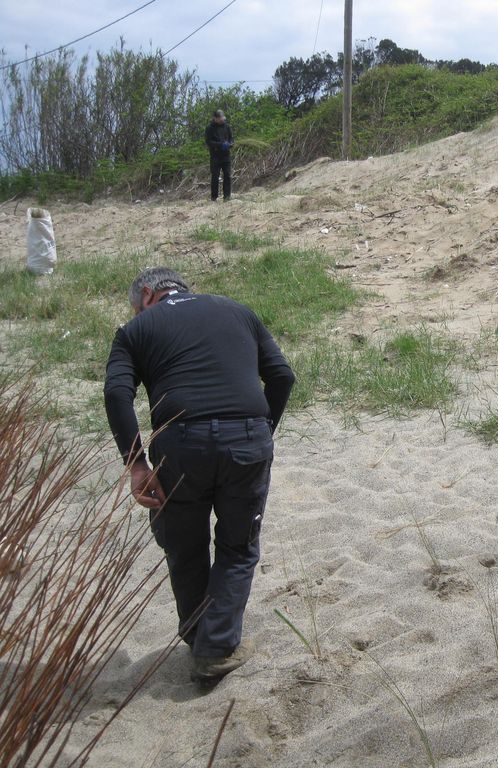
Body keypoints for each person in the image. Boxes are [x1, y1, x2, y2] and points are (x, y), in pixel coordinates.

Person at [104, 267, 295, 681]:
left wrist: (136, 464)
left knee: (184, 544)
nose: (135, 313)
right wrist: (262, 432)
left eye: (135, 307)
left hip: (181, 444)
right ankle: (215, 644)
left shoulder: (135, 330)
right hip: (247, 438)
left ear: (149, 295)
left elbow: (117, 392)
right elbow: (282, 376)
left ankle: (203, 641)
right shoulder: (237, 311)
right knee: (238, 547)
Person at [204, 109, 234, 202]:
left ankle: (227, 197)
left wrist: (229, 144)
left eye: (223, 118)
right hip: (215, 156)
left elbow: (232, 139)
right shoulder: (210, 128)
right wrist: (220, 144)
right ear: (215, 118)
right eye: (220, 119)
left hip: (226, 156)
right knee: (215, 177)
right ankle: (214, 198)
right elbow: (208, 142)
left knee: (227, 175)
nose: (222, 120)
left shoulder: (227, 127)